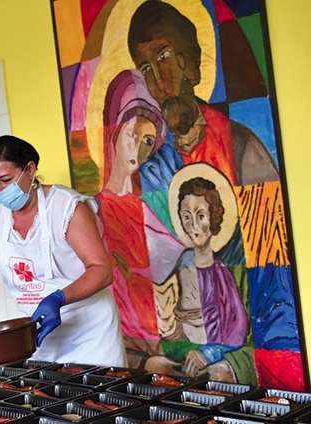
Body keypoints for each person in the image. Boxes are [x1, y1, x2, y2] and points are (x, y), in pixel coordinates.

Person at [0, 135, 126, 366]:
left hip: (90, 333)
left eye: (5, 180)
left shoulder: (66, 206)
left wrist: (58, 298)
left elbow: (101, 271)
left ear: (30, 169)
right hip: (38, 334)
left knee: (98, 400)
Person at [127, 0, 279, 190]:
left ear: (191, 60)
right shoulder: (151, 161)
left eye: (164, 57)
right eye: (146, 69)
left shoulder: (237, 143)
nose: (159, 82)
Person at [95, 69, 185, 368]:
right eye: (133, 134)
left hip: (163, 336)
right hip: (121, 342)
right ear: (115, 132)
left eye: (149, 141)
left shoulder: (152, 206)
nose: (139, 148)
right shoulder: (92, 211)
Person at [149, 165, 252, 382]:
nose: (193, 225)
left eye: (201, 215)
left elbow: (237, 331)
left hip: (209, 356)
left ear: (213, 218)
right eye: (186, 216)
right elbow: (167, 318)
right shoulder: (180, 264)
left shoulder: (221, 272)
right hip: (181, 354)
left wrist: (207, 353)